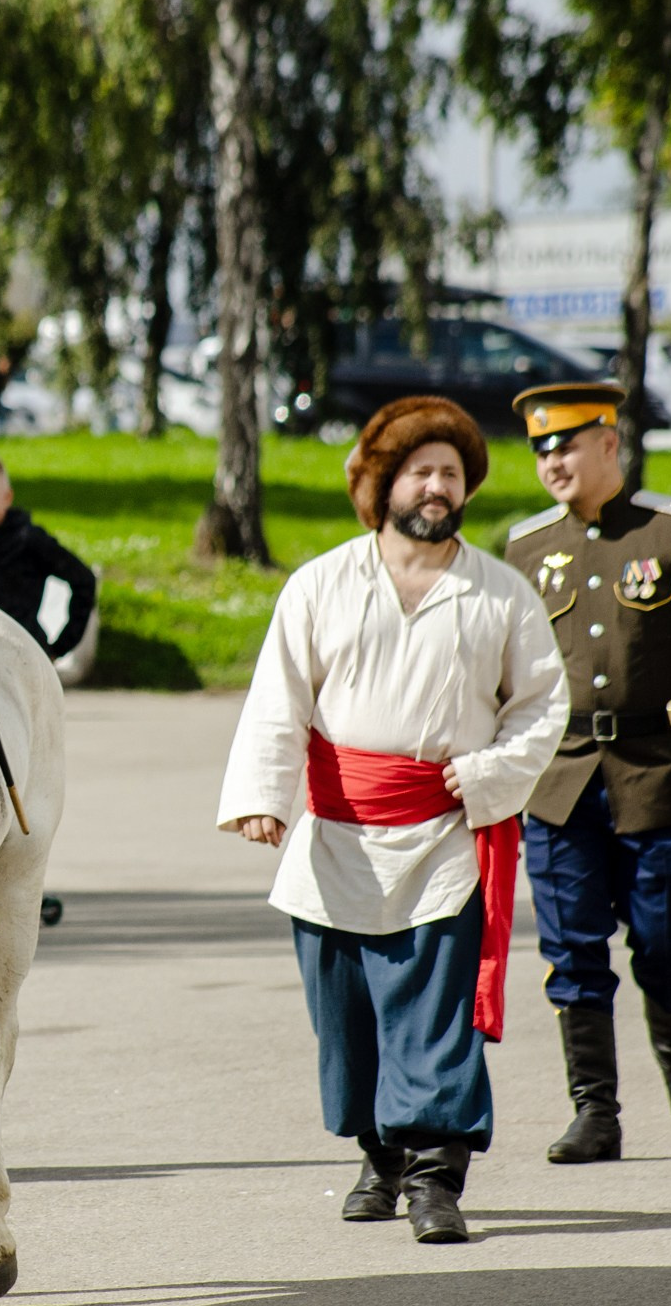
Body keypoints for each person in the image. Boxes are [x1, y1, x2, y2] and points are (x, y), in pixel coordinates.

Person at [218, 398, 567, 1241]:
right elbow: (279, 697)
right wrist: (264, 797)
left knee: (434, 1012)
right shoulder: (321, 585)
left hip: (443, 836)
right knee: (348, 1021)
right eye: (421, 471)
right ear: (382, 485)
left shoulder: (500, 594)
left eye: (450, 473)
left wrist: (484, 775)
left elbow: (541, 705)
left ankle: (436, 1178)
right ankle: (379, 1157)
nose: (437, 487)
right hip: (334, 838)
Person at [502, 384, 671, 1164]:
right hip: (560, 777)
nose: (551, 463)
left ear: (609, 442)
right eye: (541, 449)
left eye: (566, 445)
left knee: (665, 940)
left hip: (653, 772)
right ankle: (594, 1110)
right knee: (572, 949)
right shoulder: (526, 549)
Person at [0, 453, 99, 685]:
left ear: (7, 497)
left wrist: (59, 647)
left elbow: (84, 580)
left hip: (24, 656)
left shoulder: (30, 539)